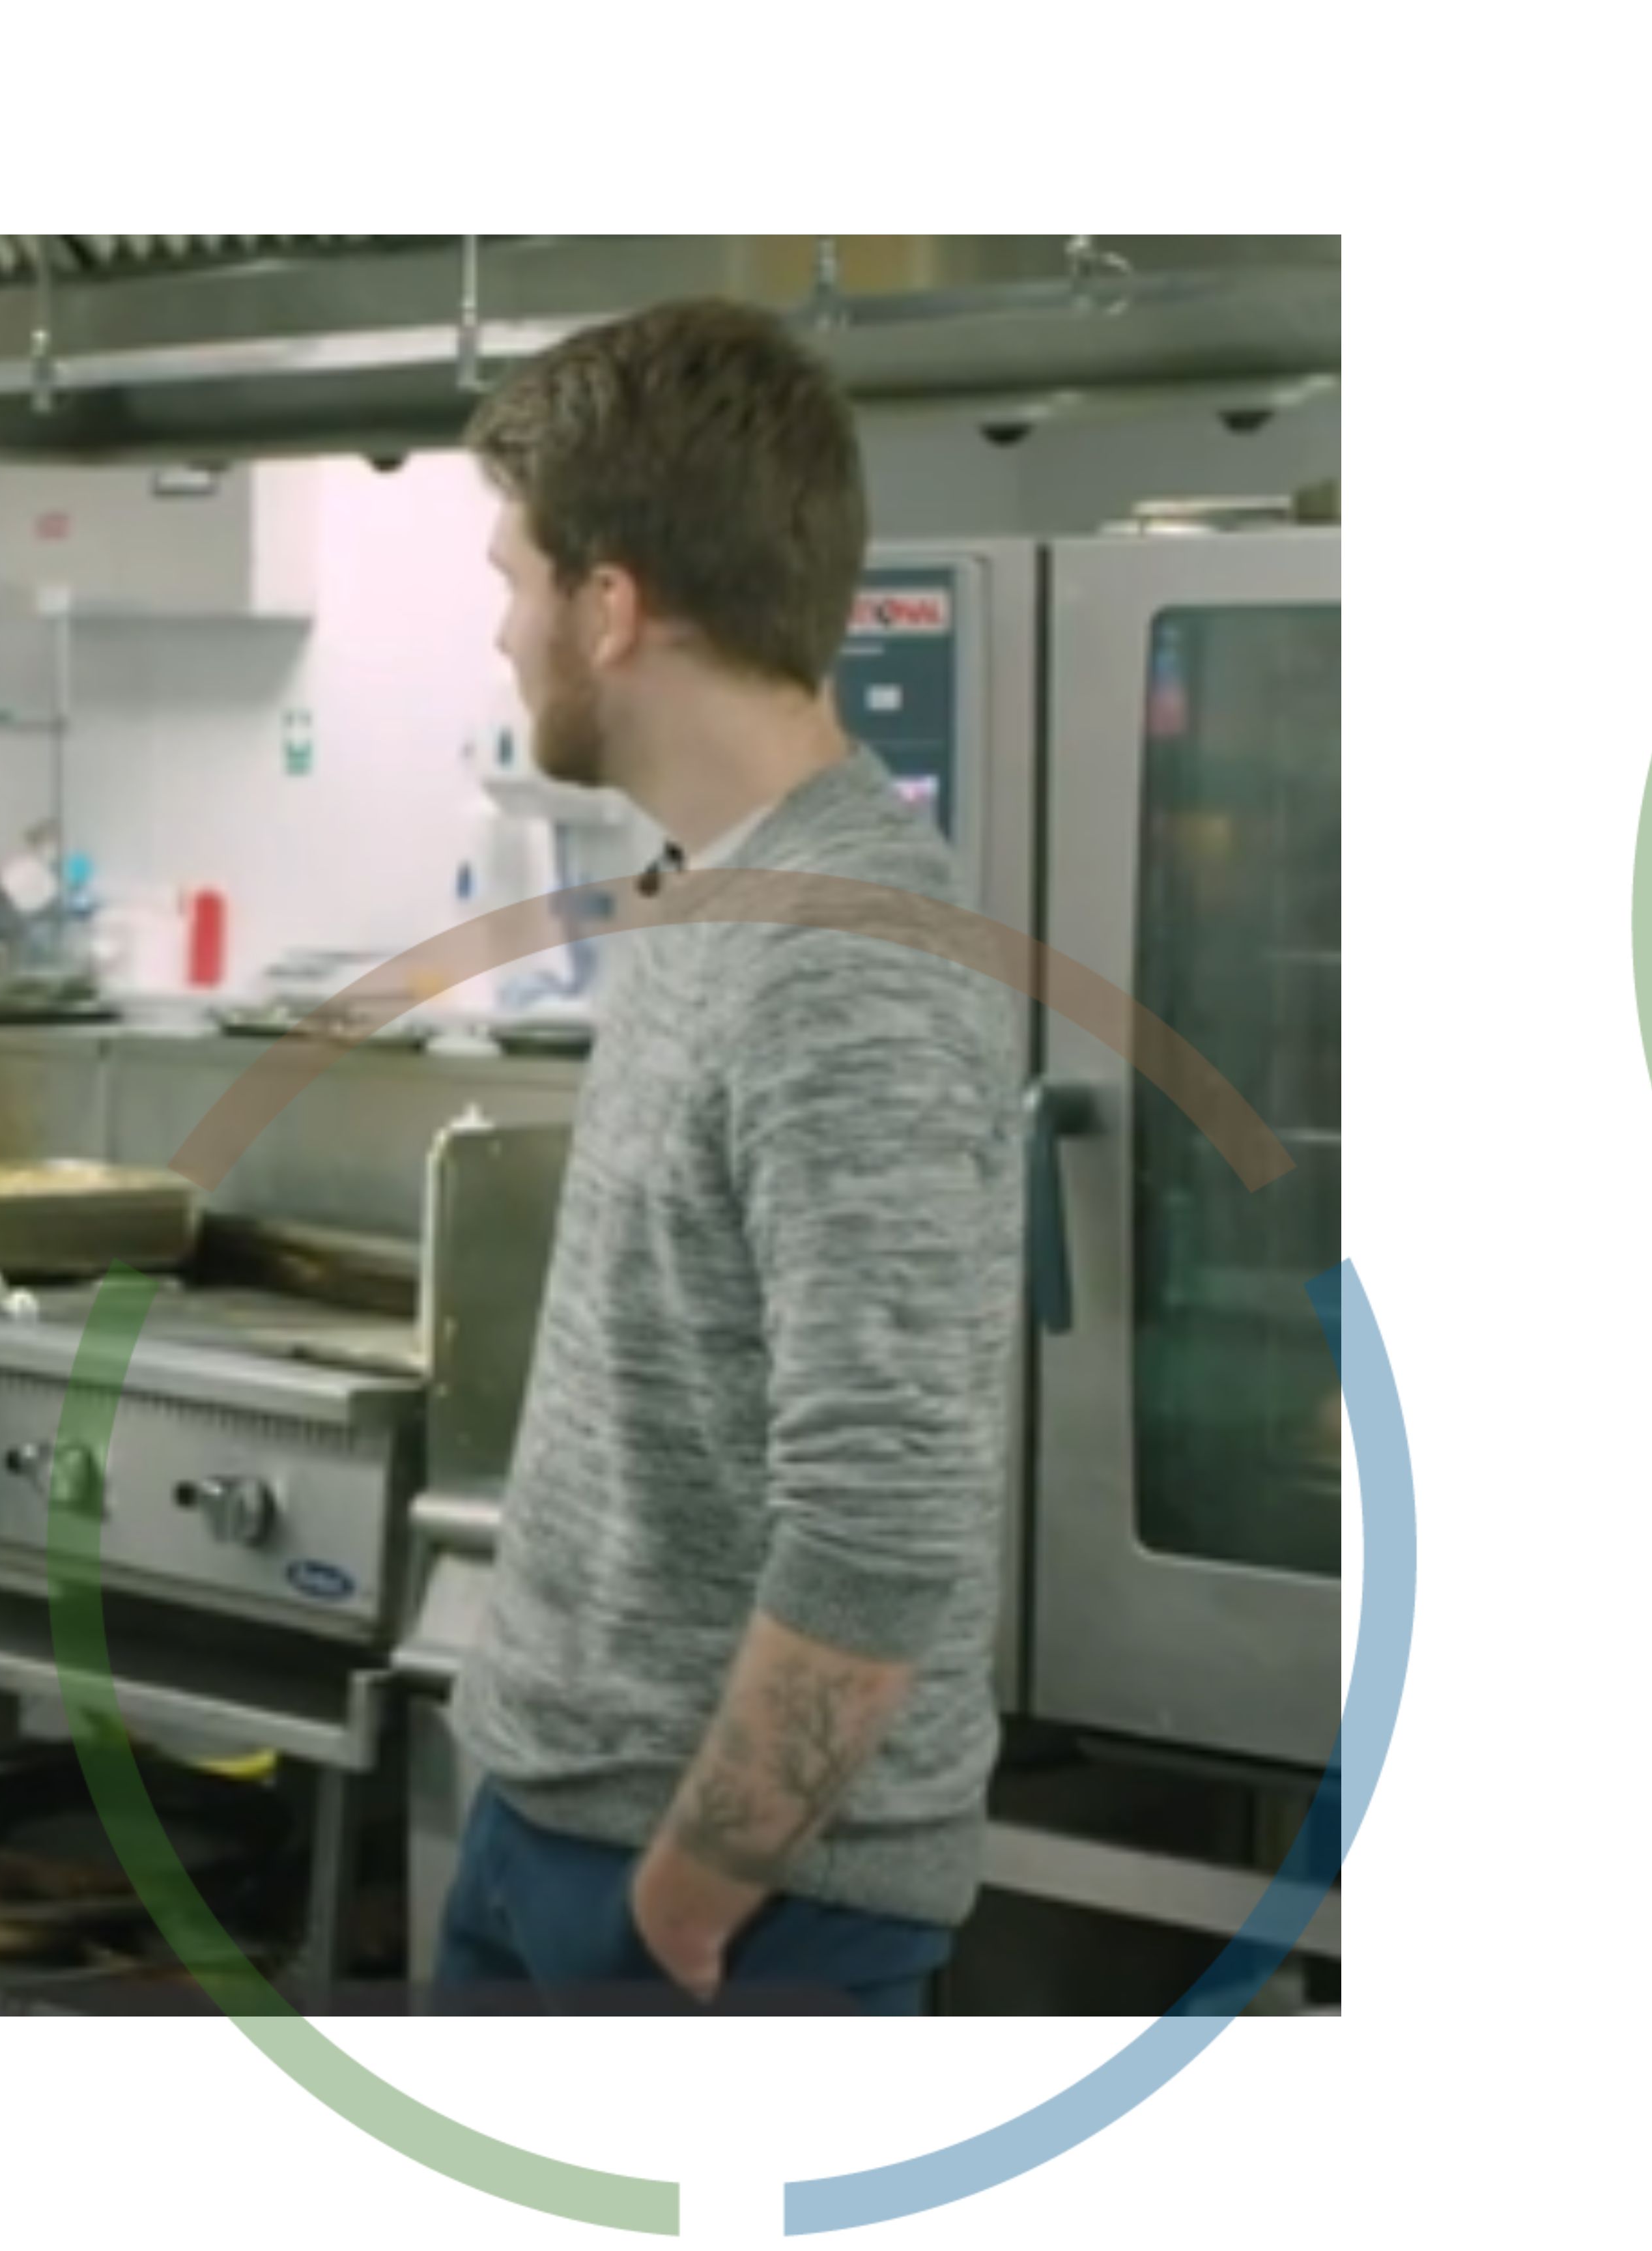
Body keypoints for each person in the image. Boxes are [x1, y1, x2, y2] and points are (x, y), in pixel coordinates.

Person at [438, 301, 1023, 2014]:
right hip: (556, 1829)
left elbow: (885, 1505)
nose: (504, 632)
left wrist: (692, 1896)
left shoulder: (850, 953)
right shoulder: (709, 887)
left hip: (732, 1912)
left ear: (610, 608)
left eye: (514, 583)